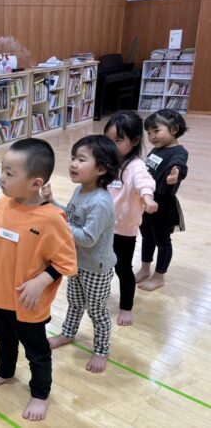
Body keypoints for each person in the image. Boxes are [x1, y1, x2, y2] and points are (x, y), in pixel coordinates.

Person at [0, 138, 77, 422]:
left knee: (37, 352)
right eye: (3, 170)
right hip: (0, 296)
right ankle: (5, 372)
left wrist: (40, 281)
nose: (2, 178)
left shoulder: (52, 219)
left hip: (28, 302)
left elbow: (66, 262)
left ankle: (40, 393)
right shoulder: (3, 204)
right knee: (4, 339)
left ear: (36, 183)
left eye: (10, 173)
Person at [46, 135, 120, 373]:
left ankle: (102, 350)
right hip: (76, 262)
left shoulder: (100, 202)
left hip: (96, 267)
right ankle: (68, 333)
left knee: (97, 311)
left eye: (81, 159)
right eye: (73, 158)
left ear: (101, 169)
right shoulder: (80, 190)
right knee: (75, 303)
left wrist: (60, 224)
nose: (73, 164)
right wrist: (53, 203)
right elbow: (70, 217)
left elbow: (88, 238)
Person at [103, 112, 157, 325]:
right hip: (102, 227)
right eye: (108, 140)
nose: (111, 145)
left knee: (122, 268)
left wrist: (148, 198)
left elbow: (144, 181)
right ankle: (97, 296)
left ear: (134, 141)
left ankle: (126, 307)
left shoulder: (136, 166)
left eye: (117, 140)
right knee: (101, 265)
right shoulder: (106, 161)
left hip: (124, 230)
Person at [135, 109, 189, 291]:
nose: (152, 136)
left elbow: (179, 165)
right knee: (147, 237)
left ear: (174, 129)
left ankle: (159, 276)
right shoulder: (157, 149)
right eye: (149, 133)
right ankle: (145, 269)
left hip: (162, 204)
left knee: (163, 241)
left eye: (156, 131)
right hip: (146, 201)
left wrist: (176, 174)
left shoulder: (179, 152)